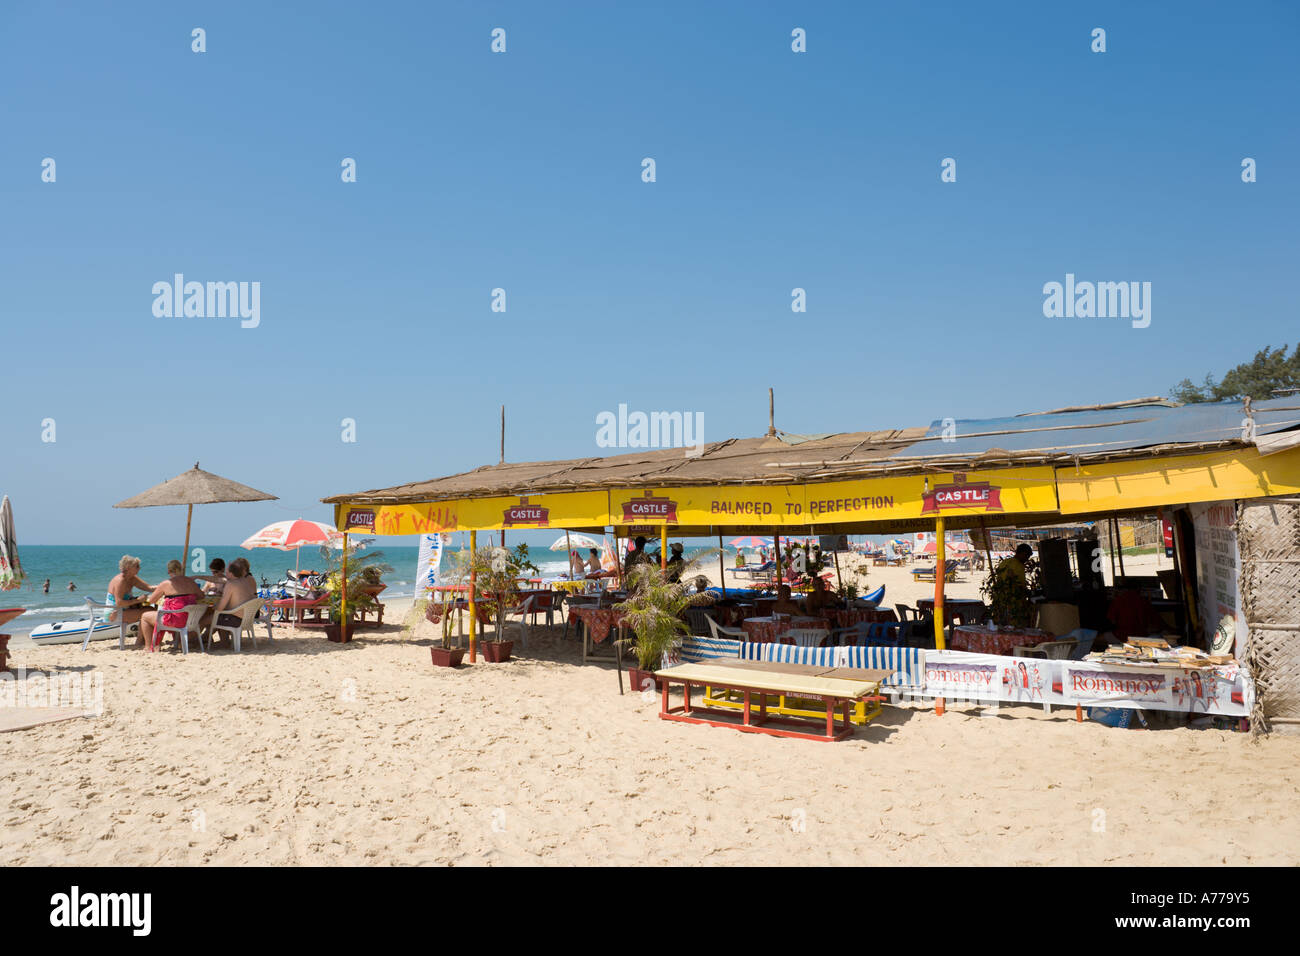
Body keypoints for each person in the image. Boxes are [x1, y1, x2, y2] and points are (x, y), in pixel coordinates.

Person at [139, 560, 204, 651]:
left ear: (169, 571)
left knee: (145, 616)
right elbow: (202, 596)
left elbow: (152, 600)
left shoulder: (166, 584)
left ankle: (149, 646)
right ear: (181, 569)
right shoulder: (191, 582)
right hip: (190, 620)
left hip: (175, 620)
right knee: (167, 612)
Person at [207, 557, 259, 645]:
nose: (225, 573)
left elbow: (220, 608)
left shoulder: (234, 583)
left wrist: (214, 607)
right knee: (218, 615)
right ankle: (220, 641)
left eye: (226, 571)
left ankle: (201, 639)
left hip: (239, 617)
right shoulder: (244, 580)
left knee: (208, 618)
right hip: (247, 615)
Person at [104, 555, 155, 643]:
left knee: (151, 610)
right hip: (114, 613)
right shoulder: (120, 581)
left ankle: (141, 640)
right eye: (137, 566)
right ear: (128, 567)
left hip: (123, 610)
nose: (139, 568)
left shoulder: (132, 578)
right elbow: (119, 603)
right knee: (148, 613)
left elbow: (149, 588)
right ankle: (140, 641)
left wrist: (166, 586)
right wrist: (138, 600)